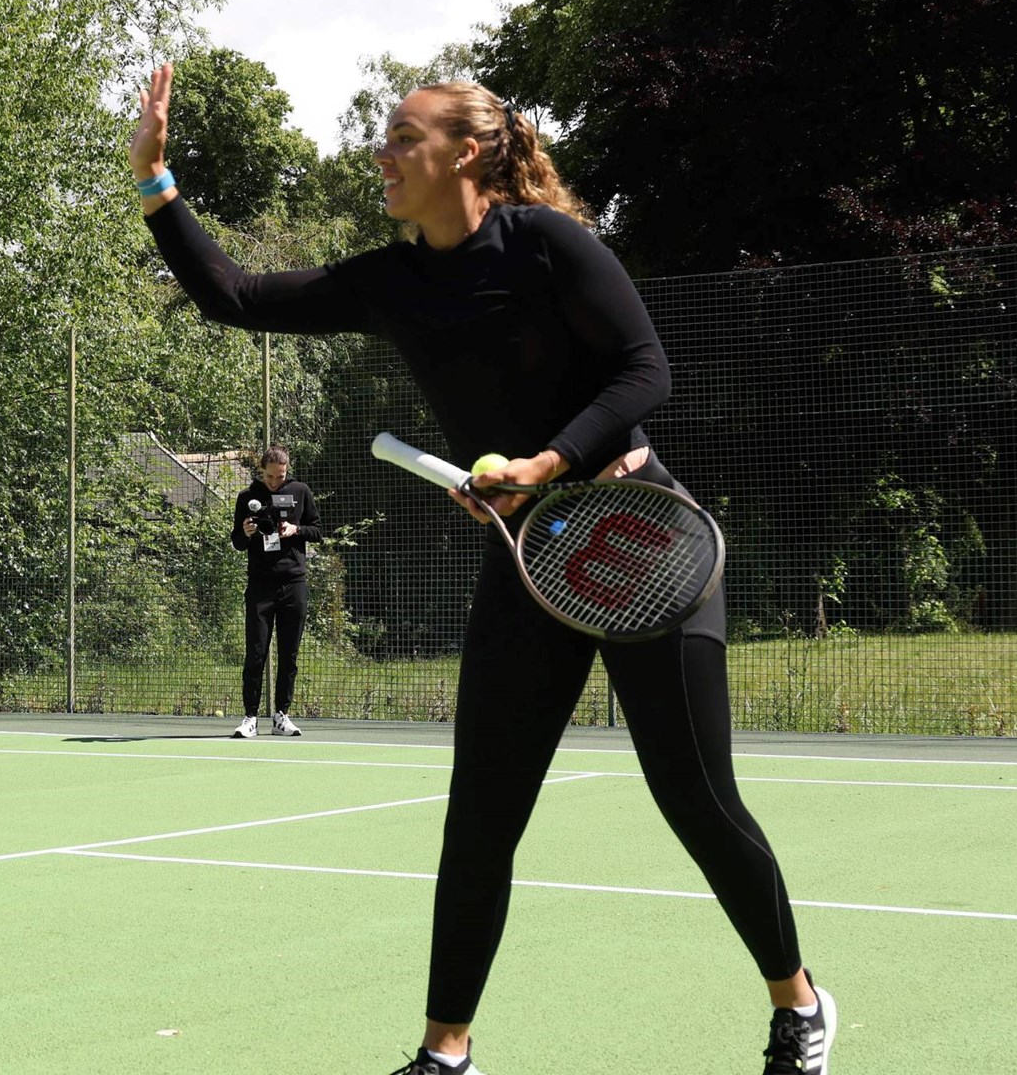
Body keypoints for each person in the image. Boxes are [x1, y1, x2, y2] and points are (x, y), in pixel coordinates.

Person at [130, 63, 836, 1075]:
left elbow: (646, 367)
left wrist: (546, 461)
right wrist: (157, 184)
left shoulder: (542, 244)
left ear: (465, 152)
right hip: (533, 559)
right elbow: (234, 295)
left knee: (694, 799)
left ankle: (797, 1002)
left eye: (401, 138)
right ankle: (443, 1053)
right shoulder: (388, 280)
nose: (380, 154)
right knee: (481, 818)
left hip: (639, 536)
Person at [229, 446, 322, 738]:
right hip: (260, 586)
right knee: (255, 652)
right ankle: (250, 718)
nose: (274, 481)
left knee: (289, 654)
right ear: (262, 470)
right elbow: (236, 542)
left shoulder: (300, 491)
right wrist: (244, 533)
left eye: (280, 476)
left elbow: (318, 529)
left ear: (286, 471)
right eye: (270, 476)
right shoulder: (247, 497)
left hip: (294, 584)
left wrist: (296, 530)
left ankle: (282, 715)